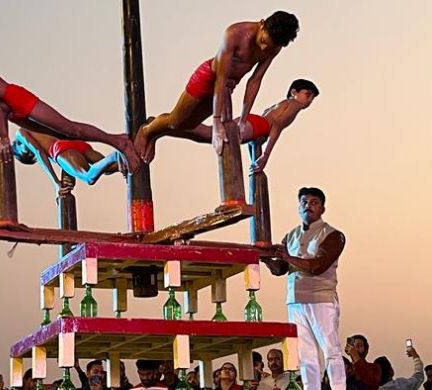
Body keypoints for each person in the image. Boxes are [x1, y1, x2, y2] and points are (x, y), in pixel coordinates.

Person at [0, 48, 142, 171]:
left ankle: (119, 142)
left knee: (70, 129)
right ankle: (118, 144)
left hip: (15, 99)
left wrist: (4, 137)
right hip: (7, 113)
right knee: (60, 136)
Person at [134, 11, 301, 162]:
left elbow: (255, 80)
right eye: (263, 41)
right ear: (262, 23)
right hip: (208, 78)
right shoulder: (235, 34)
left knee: (189, 126)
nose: (264, 48)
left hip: (228, 85)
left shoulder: (275, 46)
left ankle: (156, 130)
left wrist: (243, 120)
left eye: (269, 47)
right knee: (175, 121)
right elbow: (221, 78)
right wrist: (216, 121)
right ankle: (147, 130)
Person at [262, 187, 347, 390]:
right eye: (304, 202)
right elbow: (280, 269)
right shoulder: (290, 236)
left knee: (331, 351)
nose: (308, 205)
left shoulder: (333, 235)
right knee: (306, 355)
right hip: (295, 301)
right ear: (298, 207)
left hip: (321, 299)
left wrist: (287, 257)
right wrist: (265, 257)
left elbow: (318, 266)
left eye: (314, 202)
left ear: (322, 208)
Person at [160, 79, 319, 173]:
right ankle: (166, 124)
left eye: (312, 98)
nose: (309, 100)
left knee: (209, 134)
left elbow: (257, 138)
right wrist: (265, 156)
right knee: (210, 134)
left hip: (254, 122)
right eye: (308, 95)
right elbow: (276, 126)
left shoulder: (282, 104)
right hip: (257, 124)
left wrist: (254, 159)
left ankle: (165, 126)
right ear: (294, 92)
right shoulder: (294, 104)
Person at [12, 129, 122, 188]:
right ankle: (127, 157)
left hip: (59, 149)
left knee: (88, 177)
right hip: (72, 144)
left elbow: (39, 152)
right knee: (108, 168)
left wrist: (56, 183)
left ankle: (116, 155)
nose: (29, 154)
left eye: (26, 154)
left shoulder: (20, 133)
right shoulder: (35, 130)